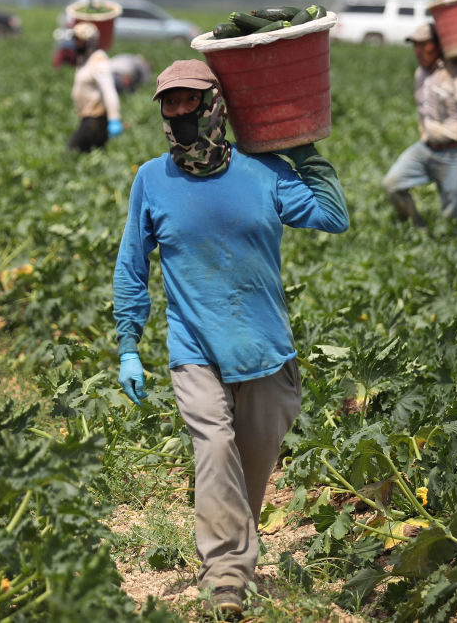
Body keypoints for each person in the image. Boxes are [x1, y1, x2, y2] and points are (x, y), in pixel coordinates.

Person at [112, 60, 349, 619]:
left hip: (265, 351)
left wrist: (304, 151)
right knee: (215, 450)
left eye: (188, 101)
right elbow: (131, 265)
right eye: (168, 104)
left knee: (253, 464)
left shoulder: (262, 172)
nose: (178, 114)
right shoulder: (151, 179)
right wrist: (128, 344)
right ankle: (226, 580)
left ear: (215, 105)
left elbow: (332, 217)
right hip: (194, 352)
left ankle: (235, 547)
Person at [382, 22, 457, 227]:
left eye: (423, 45)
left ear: (438, 45)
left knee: (455, 218)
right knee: (392, 184)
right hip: (425, 149)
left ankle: (450, 244)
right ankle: (417, 227)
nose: (418, 51)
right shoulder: (421, 74)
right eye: (415, 45)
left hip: (455, 154)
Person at [67, 21, 122, 152]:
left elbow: (109, 91)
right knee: (92, 152)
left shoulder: (99, 61)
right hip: (87, 117)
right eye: (75, 39)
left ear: (90, 41)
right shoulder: (85, 59)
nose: (76, 43)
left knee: (73, 150)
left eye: (80, 40)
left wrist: (114, 118)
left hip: (96, 119)